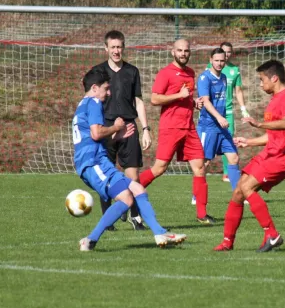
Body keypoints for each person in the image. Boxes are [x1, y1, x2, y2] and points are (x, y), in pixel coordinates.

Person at [72, 68, 186, 251]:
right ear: (94, 88)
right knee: (126, 199)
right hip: (94, 163)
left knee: (137, 189)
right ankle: (90, 240)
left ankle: (159, 232)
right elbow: (95, 133)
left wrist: (115, 137)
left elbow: (92, 136)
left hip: (95, 161)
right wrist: (116, 127)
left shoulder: (82, 105)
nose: (108, 93)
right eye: (106, 89)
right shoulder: (93, 102)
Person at [213, 59, 285, 253]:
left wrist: (259, 124)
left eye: (262, 79)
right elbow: (273, 136)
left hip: (283, 157)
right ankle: (227, 242)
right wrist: (249, 141)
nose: (260, 84)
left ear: (274, 78)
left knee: (246, 187)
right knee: (238, 190)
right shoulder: (274, 101)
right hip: (270, 153)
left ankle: (272, 234)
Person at [138, 39, 216, 225]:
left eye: (186, 51)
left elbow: (185, 97)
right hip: (170, 127)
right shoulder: (165, 73)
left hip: (189, 127)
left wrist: (192, 102)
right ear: (173, 52)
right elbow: (155, 99)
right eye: (179, 50)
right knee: (159, 169)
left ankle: (202, 214)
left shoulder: (190, 73)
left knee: (200, 168)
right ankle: (127, 192)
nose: (183, 53)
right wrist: (178, 96)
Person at [91, 30, 150, 232]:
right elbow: (90, 101)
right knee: (105, 176)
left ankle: (135, 217)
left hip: (129, 127)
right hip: (106, 128)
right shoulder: (98, 73)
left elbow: (139, 101)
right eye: (113, 47)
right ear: (106, 48)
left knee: (133, 175)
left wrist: (146, 129)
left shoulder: (132, 71)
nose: (116, 51)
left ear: (123, 47)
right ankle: (108, 221)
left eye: (119, 47)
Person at [197, 48, 241, 191]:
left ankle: (238, 194)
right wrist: (219, 117)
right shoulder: (205, 78)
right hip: (208, 126)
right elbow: (206, 101)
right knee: (204, 162)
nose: (219, 63)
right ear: (211, 60)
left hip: (221, 127)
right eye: (216, 60)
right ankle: (197, 195)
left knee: (234, 158)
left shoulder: (223, 78)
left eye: (222, 60)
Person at [206, 42, 249, 183]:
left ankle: (227, 173)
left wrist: (243, 110)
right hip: (212, 114)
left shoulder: (234, 70)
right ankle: (199, 178)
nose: (226, 54)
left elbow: (238, 91)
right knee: (207, 148)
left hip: (228, 113)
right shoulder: (209, 70)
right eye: (224, 52)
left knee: (229, 142)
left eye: (229, 52)